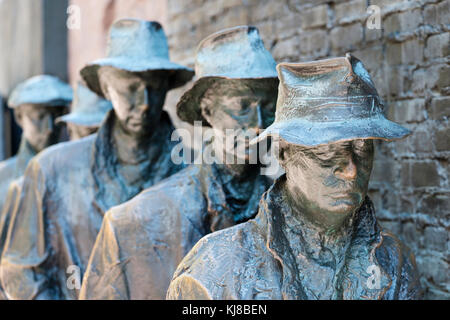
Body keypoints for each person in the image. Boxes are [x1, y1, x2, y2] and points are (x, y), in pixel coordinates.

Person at [167, 54, 421, 300]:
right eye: (326, 151)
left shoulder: (394, 261)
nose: (351, 170)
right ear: (282, 152)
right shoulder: (213, 268)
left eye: (362, 149)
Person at [79, 26, 278, 300]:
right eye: (242, 106)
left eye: (269, 108)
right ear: (207, 111)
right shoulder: (132, 223)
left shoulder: (288, 210)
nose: (257, 125)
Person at [0, 18, 193, 300]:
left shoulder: (193, 172)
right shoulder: (51, 169)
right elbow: (21, 272)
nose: (144, 102)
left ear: (167, 87)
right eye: (130, 87)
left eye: (154, 86)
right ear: (106, 86)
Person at [0, 75, 72, 212]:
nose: (49, 128)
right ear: (19, 117)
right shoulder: (3, 179)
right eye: (39, 117)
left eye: (56, 116)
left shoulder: (77, 175)